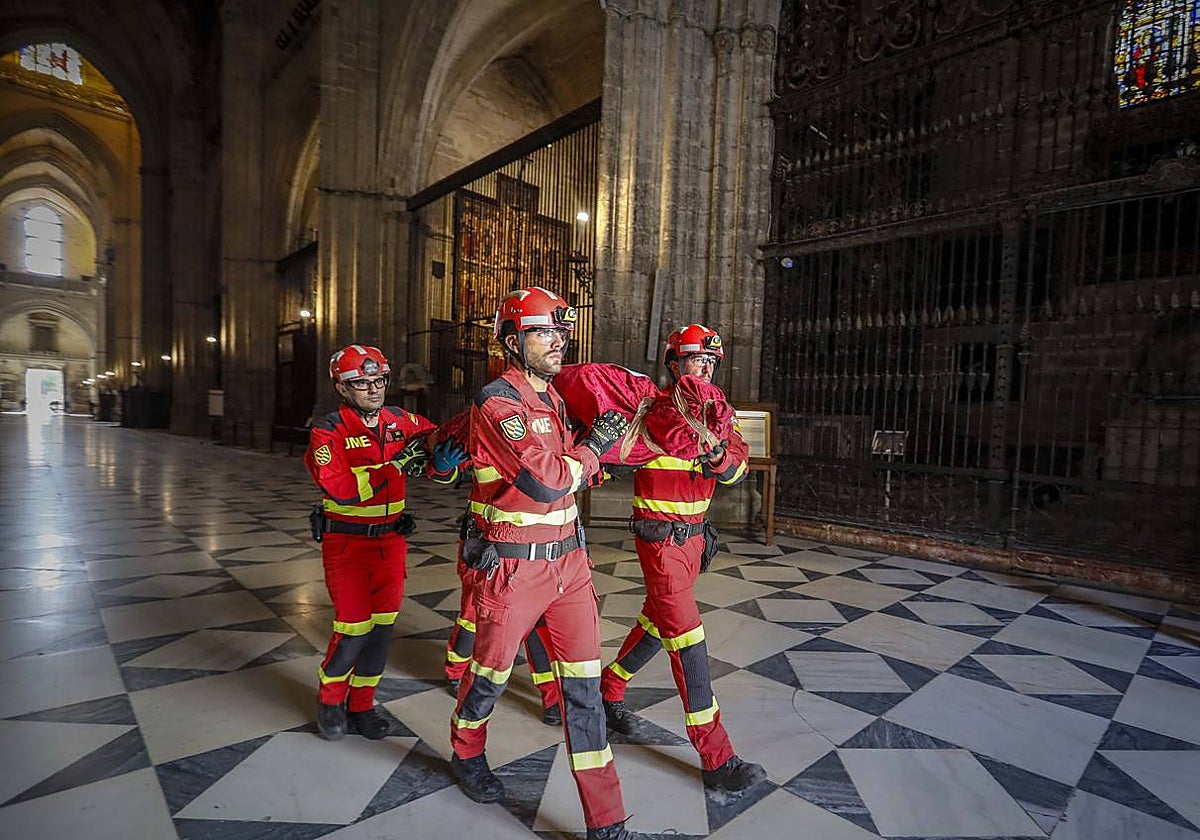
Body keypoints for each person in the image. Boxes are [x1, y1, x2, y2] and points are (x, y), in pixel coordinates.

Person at [449, 287, 648, 840]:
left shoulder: (555, 400)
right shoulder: (497, 404)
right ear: (512, 341)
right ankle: (467, 752)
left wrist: (617, 444)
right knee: (488, 674)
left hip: (569, 566)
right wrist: (592, 450)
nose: (558, 340)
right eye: (543, 331)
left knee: (584, 689)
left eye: (561, 330)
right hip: (514, 570)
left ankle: (606, 823)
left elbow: (573, 473)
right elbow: (544, 480)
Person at [599, 324, 767, 795]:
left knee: (657, 623)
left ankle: (607, 691)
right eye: (697, 359)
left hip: (695, 542)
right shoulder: (652, 408)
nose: (708, 367)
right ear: (674, 363)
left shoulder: (720, 412)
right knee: (688, 643)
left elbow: (736, 467)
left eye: (712, 361)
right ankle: (717, 756)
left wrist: (714, 449)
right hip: (661, 542)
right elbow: (618, 453)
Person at [304, 344, 464, 741]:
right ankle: (330, 701)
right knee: (353, 627)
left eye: (379, 381)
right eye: (362, 383)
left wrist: (444, 463)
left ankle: (362, 705)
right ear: (342, 389)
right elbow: (340, 488)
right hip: (346, 544)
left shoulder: (400, 420)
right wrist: (393, 465)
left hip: (391, 542)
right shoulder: (329, 429)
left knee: (381, 630)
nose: (374, 389)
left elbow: (433, 448)